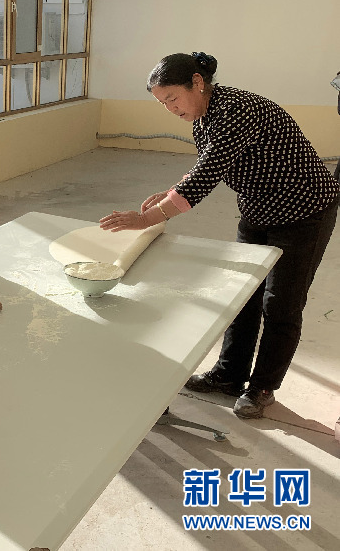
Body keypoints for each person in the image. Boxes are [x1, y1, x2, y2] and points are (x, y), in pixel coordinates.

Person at [99, 52, 339, 419]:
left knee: (282, 304)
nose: (170, 109)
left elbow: (205, 178)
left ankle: (262, 388)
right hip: (259, 210)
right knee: (244, 295)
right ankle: (229, 375)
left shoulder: (236, 110)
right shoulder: (202, 118)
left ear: (197, 83)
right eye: (162, 103)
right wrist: (171, 192)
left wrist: (147, 218)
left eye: (172, 98)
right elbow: (207, 166)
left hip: (304, 211)